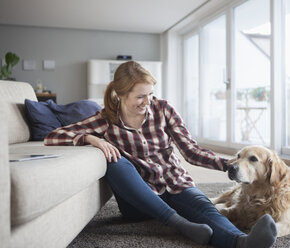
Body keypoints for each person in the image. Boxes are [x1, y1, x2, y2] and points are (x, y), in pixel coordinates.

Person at [44, 61, 277, 248]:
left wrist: (227, 164)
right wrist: (90, 138)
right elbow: (52, 136)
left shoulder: (163, 109)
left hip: (173, 183)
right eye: (140, 97)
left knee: (205, 209)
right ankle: (178, 223)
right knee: (114, 161)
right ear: (120, 94)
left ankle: (242, 242)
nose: (148, 102)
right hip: (139, 200)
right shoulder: (105, 119)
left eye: (150, 94)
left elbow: (190, 150)